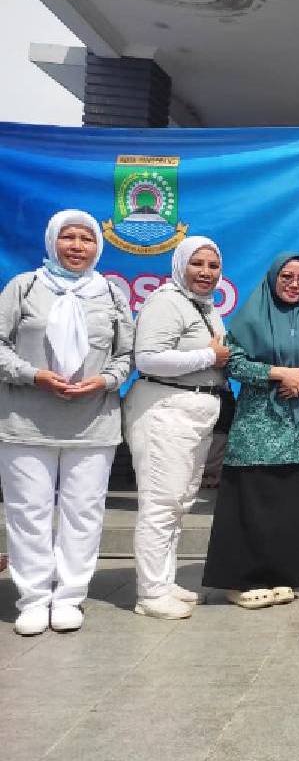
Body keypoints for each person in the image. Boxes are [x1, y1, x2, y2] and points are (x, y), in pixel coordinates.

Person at [0, 210, 133, 635]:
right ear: (52, 241)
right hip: (27, 420)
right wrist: (32, 375)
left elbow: (127, 356)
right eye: (68, 238)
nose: (77, 247)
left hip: (93, 422)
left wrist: (105, 380)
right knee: (29, 512)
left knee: (84, 512)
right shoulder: (25, 287)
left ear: (99, 246)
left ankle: (70, 596)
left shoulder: (111, 294)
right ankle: (34, 598)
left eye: (86, 239)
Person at [201, 252, 299, 608]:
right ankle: (240, 581)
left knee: (290, 502)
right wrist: (279, 374)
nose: (294, 284)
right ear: (273, 278)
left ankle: (282, 575)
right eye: (287, 277)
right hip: (258, 425)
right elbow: (232, 362)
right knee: (252, 500)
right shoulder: (252, 316)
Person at [126, 236, 230, 620]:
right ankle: (150, 594)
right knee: (160, 503)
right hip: (163, 409)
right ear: (180, 265)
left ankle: (164, 582)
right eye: (197, 264)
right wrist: (210, 355)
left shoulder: (202, 306)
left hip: (194, 413)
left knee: (179, 502)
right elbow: (148, 358)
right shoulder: (166, 301)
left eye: (213, 266)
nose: (205, 273)